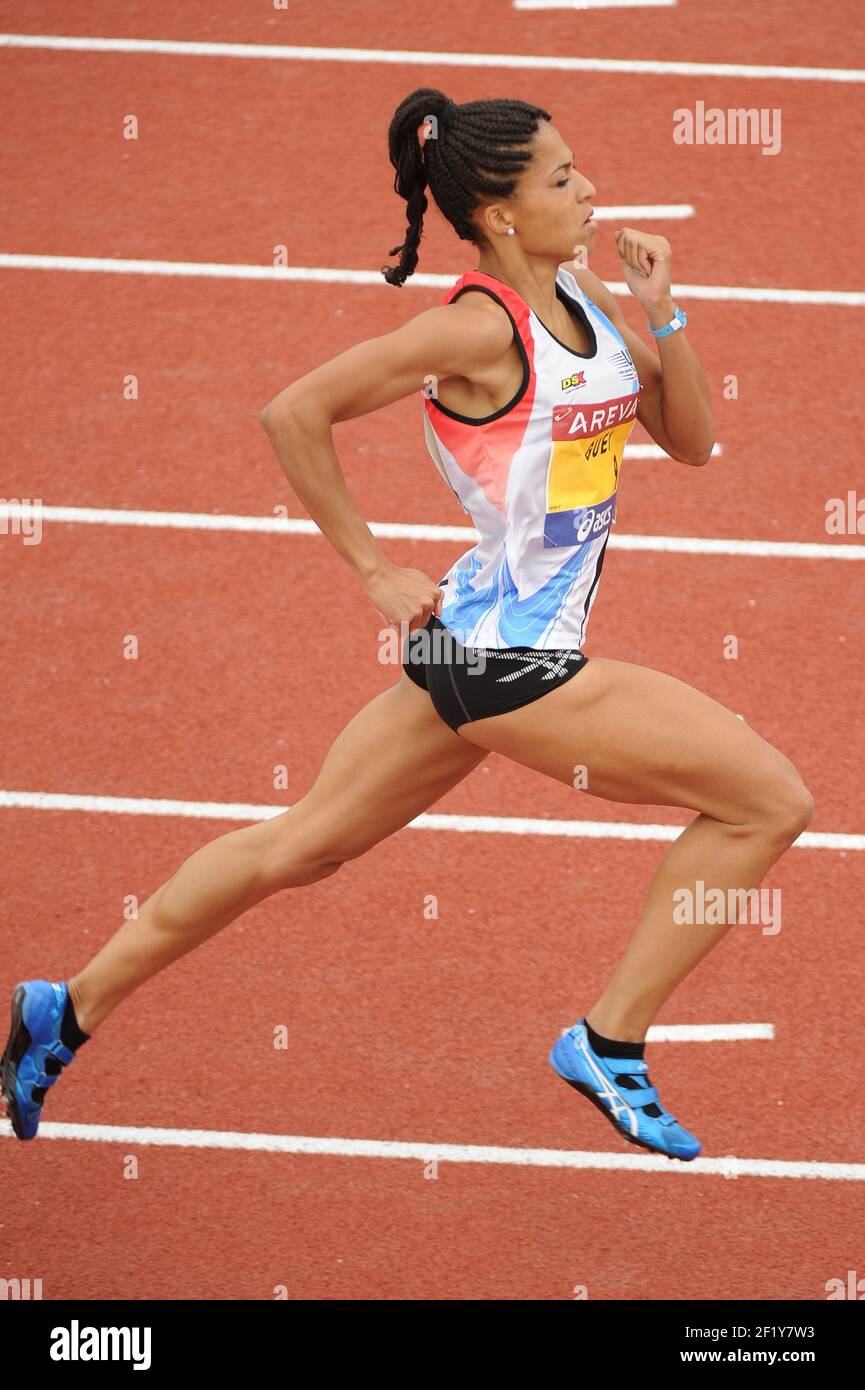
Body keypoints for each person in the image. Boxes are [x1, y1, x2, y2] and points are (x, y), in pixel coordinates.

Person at [2, 90, 813, 1161]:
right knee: (766, 803)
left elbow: (693, 440)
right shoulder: (472, 328)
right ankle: (609, 1039)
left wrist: (662, 311)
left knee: (301, 846)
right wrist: (374, 569)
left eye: (578, 168)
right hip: (513, 664)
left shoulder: (588, 305)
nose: (588, 189)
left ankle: (65, 1004)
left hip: (466, 643)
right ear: (499, 211)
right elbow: (291, 411)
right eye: (561, 177)